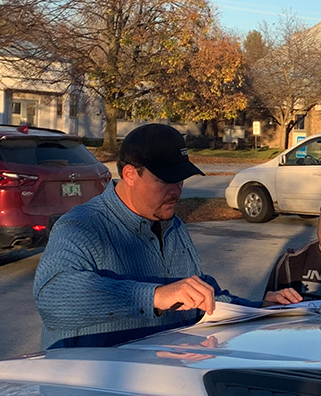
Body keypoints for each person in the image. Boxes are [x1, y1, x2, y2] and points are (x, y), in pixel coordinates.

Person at [34, 124, 294, 349]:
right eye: (166, 180)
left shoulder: (173, 227)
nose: (177, 190)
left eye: (181, 180)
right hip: (93, 392)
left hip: (160, 385)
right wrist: (154, 296)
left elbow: (194, 294)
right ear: (130, 175)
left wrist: (255, 308)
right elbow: (52, 297)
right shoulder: (83, 226)